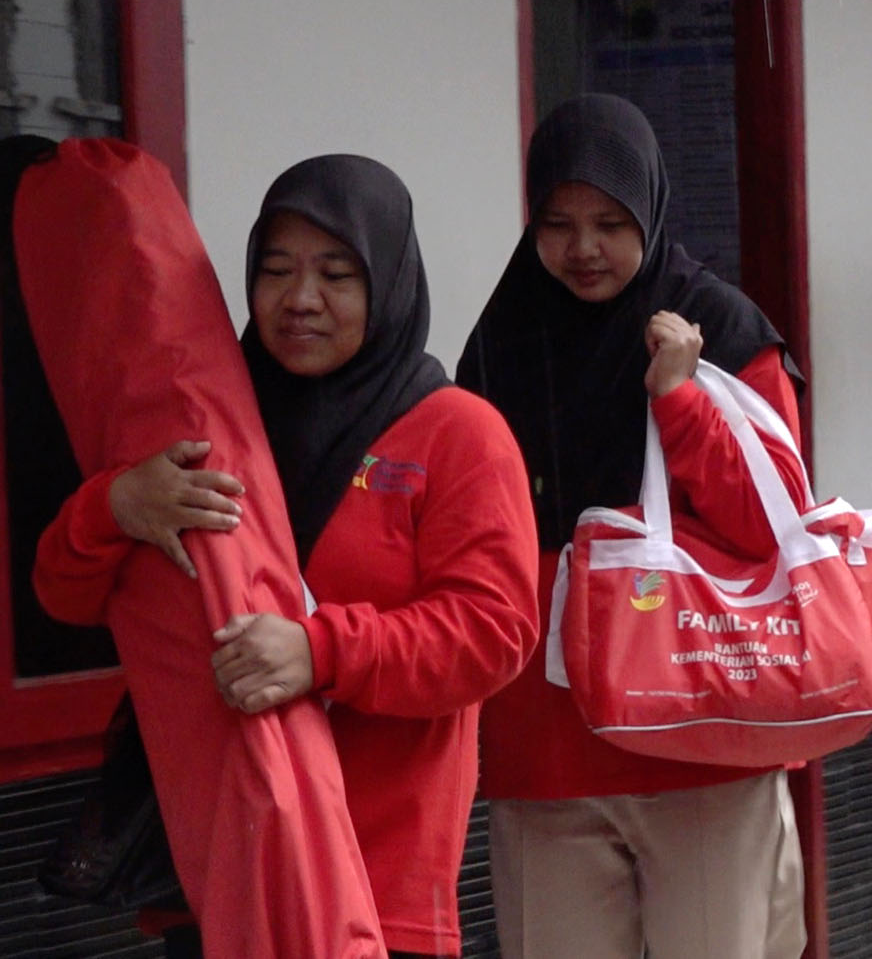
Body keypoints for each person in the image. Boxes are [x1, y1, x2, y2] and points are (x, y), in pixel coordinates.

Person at [35, 154, 541, 958]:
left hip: (376, 890)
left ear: (388, 281)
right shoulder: (208, 419)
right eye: (276, 271)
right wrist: (115, 505)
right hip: (214, 866)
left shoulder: (458, 433)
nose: (300, 300)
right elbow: (62, 594)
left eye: (336, 274)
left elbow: (494, 632)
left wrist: (321, 650)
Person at [456, 93, 809, 959]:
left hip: (698, 738)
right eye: (558, 222)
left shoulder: (721, 329)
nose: (583, 249)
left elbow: (774, 523)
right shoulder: (501, 343)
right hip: (546, 749)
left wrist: (683, 401)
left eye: (611, 222)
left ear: (650, 206)